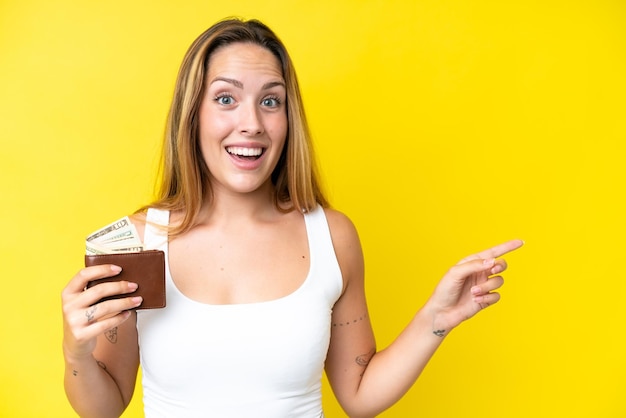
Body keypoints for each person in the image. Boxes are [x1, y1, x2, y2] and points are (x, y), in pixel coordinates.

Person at [61, 18, 523, 418]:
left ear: (288, 117)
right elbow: (104, 406)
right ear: (192, 114)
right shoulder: (137, 241)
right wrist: (76, 350)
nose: (252, 124)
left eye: (270, 101)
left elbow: (359, 397)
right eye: (225, 99)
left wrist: (435, 318)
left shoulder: (331, 236)